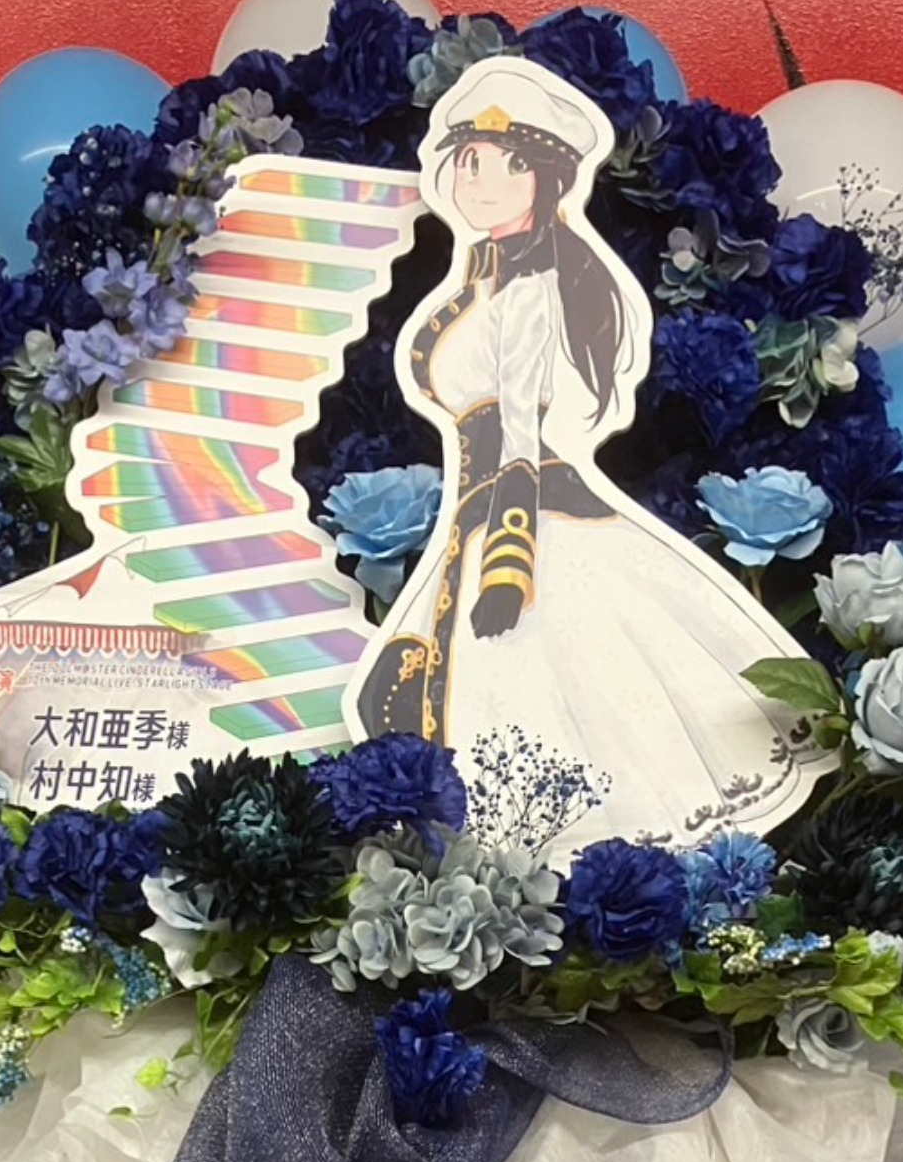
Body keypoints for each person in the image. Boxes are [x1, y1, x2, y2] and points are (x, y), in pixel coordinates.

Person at [353, 59, 830, 850]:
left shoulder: (530, 290)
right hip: (478, 516)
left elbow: (517, 428)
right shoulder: (481, 284)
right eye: (471, 161)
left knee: (570, 705)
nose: (482, 181)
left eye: (507, 164)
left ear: (545, 179)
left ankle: (590, 880)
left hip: (521, 517)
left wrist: (507, 560)